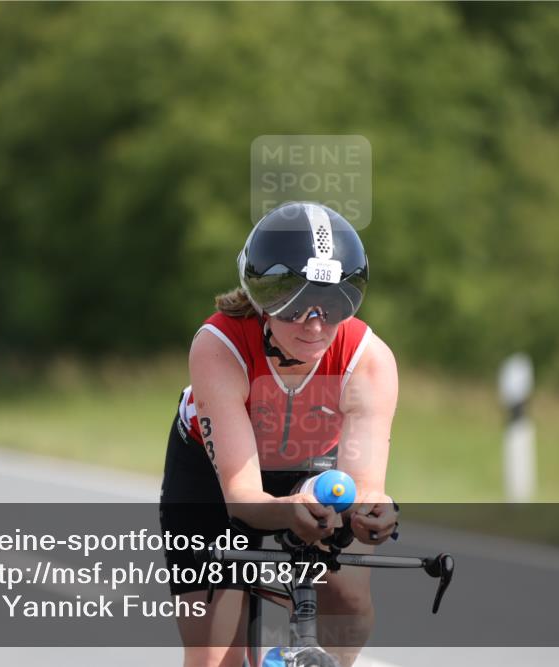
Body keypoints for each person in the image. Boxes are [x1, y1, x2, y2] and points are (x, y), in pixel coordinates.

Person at [159, 201, 399, 667]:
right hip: (215, 476)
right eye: (294, 304)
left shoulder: (369, 360)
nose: (315, 323)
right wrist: (288, 513)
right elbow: (242, 498)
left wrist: (373, 514)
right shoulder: (219, 345)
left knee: (347, 603)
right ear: (261, 298)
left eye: (334, 303)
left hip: (308, 467)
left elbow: (367, 487)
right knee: (214, 654)